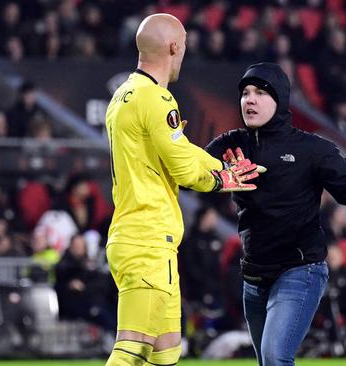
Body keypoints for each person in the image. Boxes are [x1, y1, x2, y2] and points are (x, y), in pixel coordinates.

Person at [104, 14, 263, 366]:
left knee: (166, 353)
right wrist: (224, 179)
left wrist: (222, 167)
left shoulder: (125, 95)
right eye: (185, 47)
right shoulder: (157, 101)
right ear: (174, 47)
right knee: (131, 349)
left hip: (143, 236)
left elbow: (182, 152)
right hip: (147, 238)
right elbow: (185, 169)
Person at [205, 62, 346, 366]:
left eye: (260, 92)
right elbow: (189, 171)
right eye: (245, 93)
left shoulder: (310, 148)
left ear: (281, 100)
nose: (250, 99)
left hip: (299, 269)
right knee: (267, 362)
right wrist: (183, 151)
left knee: (275, 357)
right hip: (254, 275)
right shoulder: (231, 145)